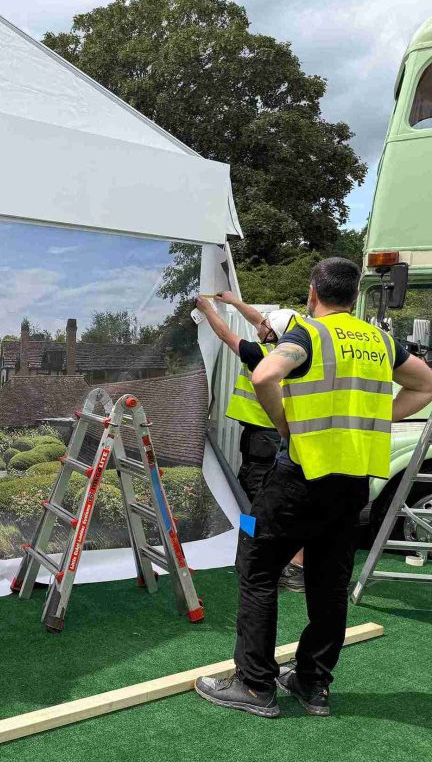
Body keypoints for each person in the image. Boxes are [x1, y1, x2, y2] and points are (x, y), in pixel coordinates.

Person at [195, 257, 432, 718]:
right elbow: (425, 385)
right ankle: (312, 685)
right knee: (328, 583)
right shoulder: (380, 340)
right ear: (354, 293)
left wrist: (285, 422)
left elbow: (265, 375)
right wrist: (376, 420)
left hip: (302, 475)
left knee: (257, 565)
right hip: (353, 483)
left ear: (313, 293)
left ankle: (254, 685)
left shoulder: (309, 333)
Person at [195, 293, 307, 592]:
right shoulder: (289, 351)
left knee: (256, 500)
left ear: (273, 335)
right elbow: (258, 319)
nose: (260, 326)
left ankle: (286, 566)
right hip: (269, 437)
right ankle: (267, 558)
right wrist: (234, 301)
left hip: (264, 438)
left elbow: (225, 334)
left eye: (266, 326)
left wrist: (207, 309)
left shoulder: (263, 355)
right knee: (268, 499)